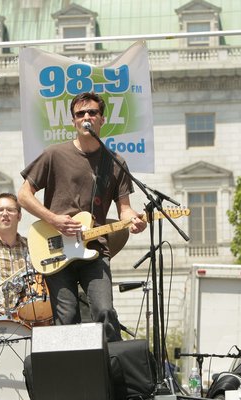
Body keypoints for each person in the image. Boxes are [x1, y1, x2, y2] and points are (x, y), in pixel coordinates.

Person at [18, 91, 147, 342]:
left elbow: (124, 208)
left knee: (105, 311)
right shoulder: (54, 154)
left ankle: (109, 375)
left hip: (95, 248)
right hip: (55, 247)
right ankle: (73, 378)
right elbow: (24, 195)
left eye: (92, 113)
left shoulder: (115, 162)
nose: (86, 117)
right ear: (73, 121)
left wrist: (134, 220)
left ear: (102, 119)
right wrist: (53, 219)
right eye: (80, 114)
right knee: (66, 317)